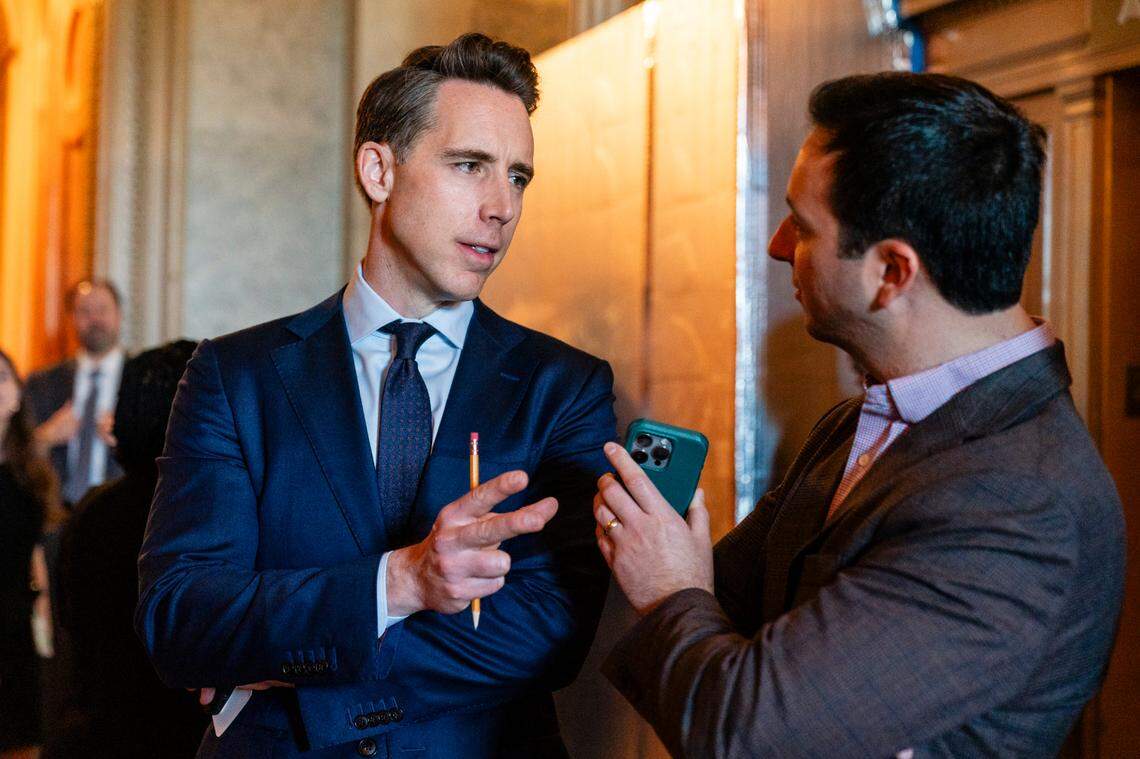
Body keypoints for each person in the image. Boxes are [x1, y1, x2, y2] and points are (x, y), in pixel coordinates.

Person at [593, 72, 1125, 757]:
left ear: (892, 273)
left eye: (803, 226)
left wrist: (668, 590)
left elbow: (746, 732)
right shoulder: (864, 419)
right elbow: (726, 599)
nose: (778, 245)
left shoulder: (1020, 503)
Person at [136, 34, 615, 758]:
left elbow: (549, 630)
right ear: (378, 169)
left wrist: (301, 672)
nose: (502, 207)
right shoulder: (236, 376)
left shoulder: (565, 387)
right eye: (469, 166)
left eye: (518, 177)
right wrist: (399, 583)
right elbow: (181, 618)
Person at [46, 341, 205, 759]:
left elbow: (72, 622)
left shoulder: (96, 507)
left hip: (98, 723)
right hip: (184, 730)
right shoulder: (202, 509)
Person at [0, 349, 57, 759]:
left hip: (16, 620)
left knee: (21, 739)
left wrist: (47, 622)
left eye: (2, 377)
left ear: (17, 394)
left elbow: (38, 551)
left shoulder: (31, 471)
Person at [25, 279, 125, 507]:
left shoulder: (141, 378)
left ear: (119, 315)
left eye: (102, 310)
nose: (95, 319)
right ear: (71, 318)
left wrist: (126, 437)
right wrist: (45, 437)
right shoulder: (41, 383)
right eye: (85, 311)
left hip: (122, 515)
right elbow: (15, 452)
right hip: (57, 515)